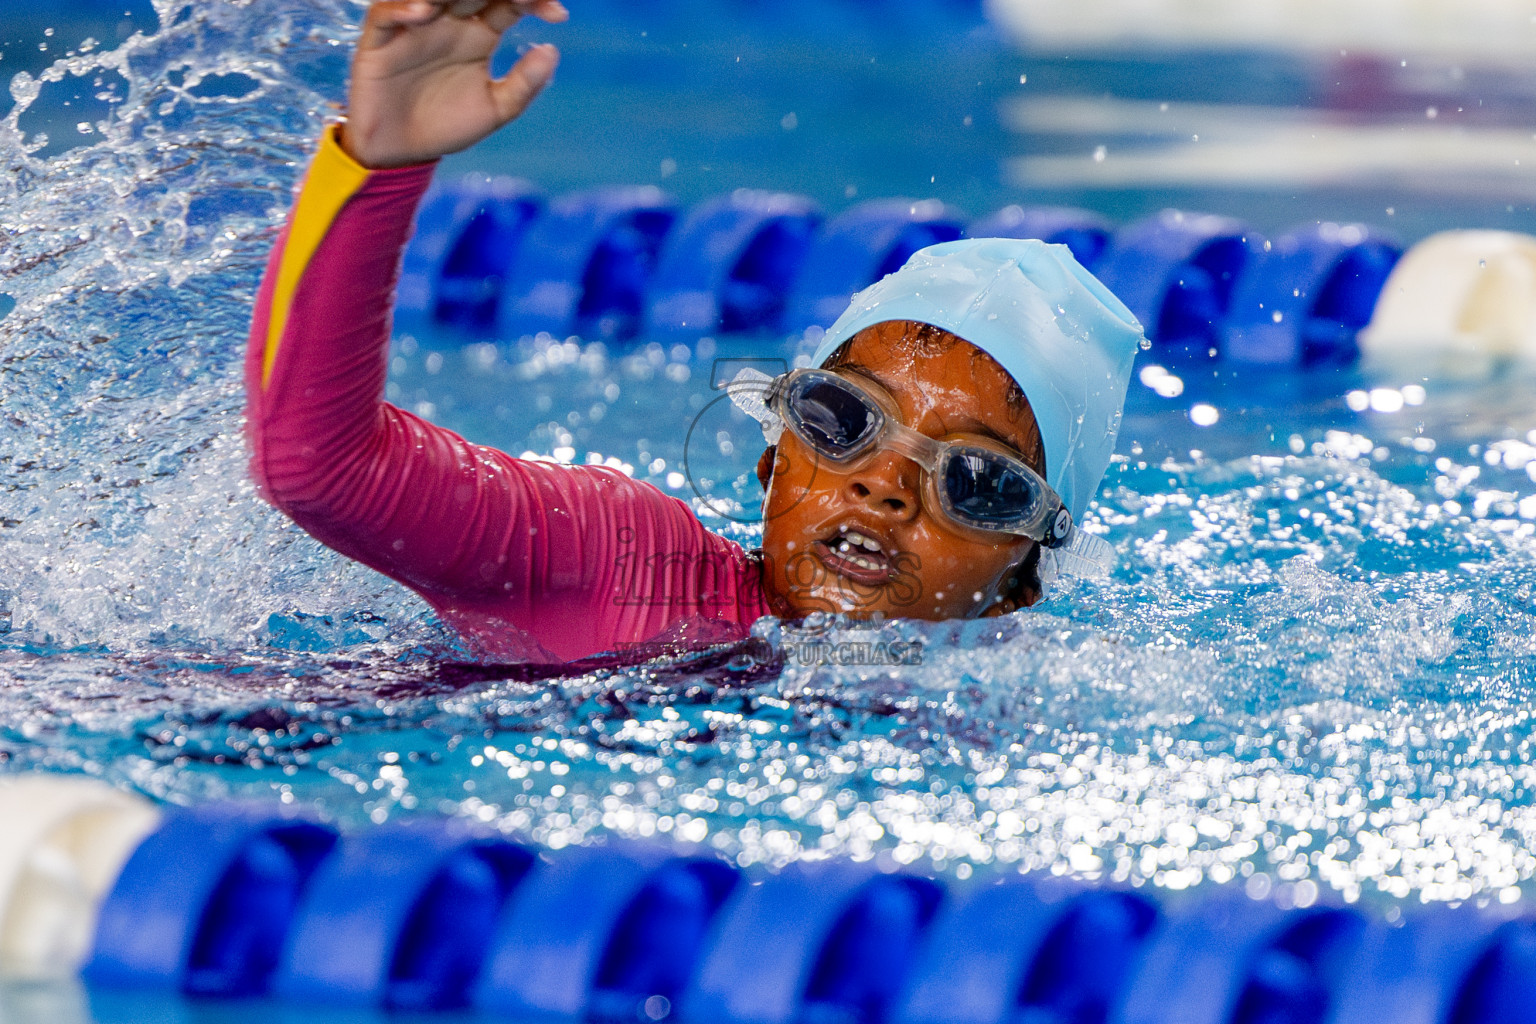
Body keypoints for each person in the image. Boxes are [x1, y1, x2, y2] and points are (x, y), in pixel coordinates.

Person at [244, 0, 1144, 663]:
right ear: (773, 459)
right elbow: (321, 466)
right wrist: (380, 165)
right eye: (843, 419)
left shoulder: (987, 732)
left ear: (1017, 587)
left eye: (978, 481)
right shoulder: (617, 559)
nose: (884, 488)